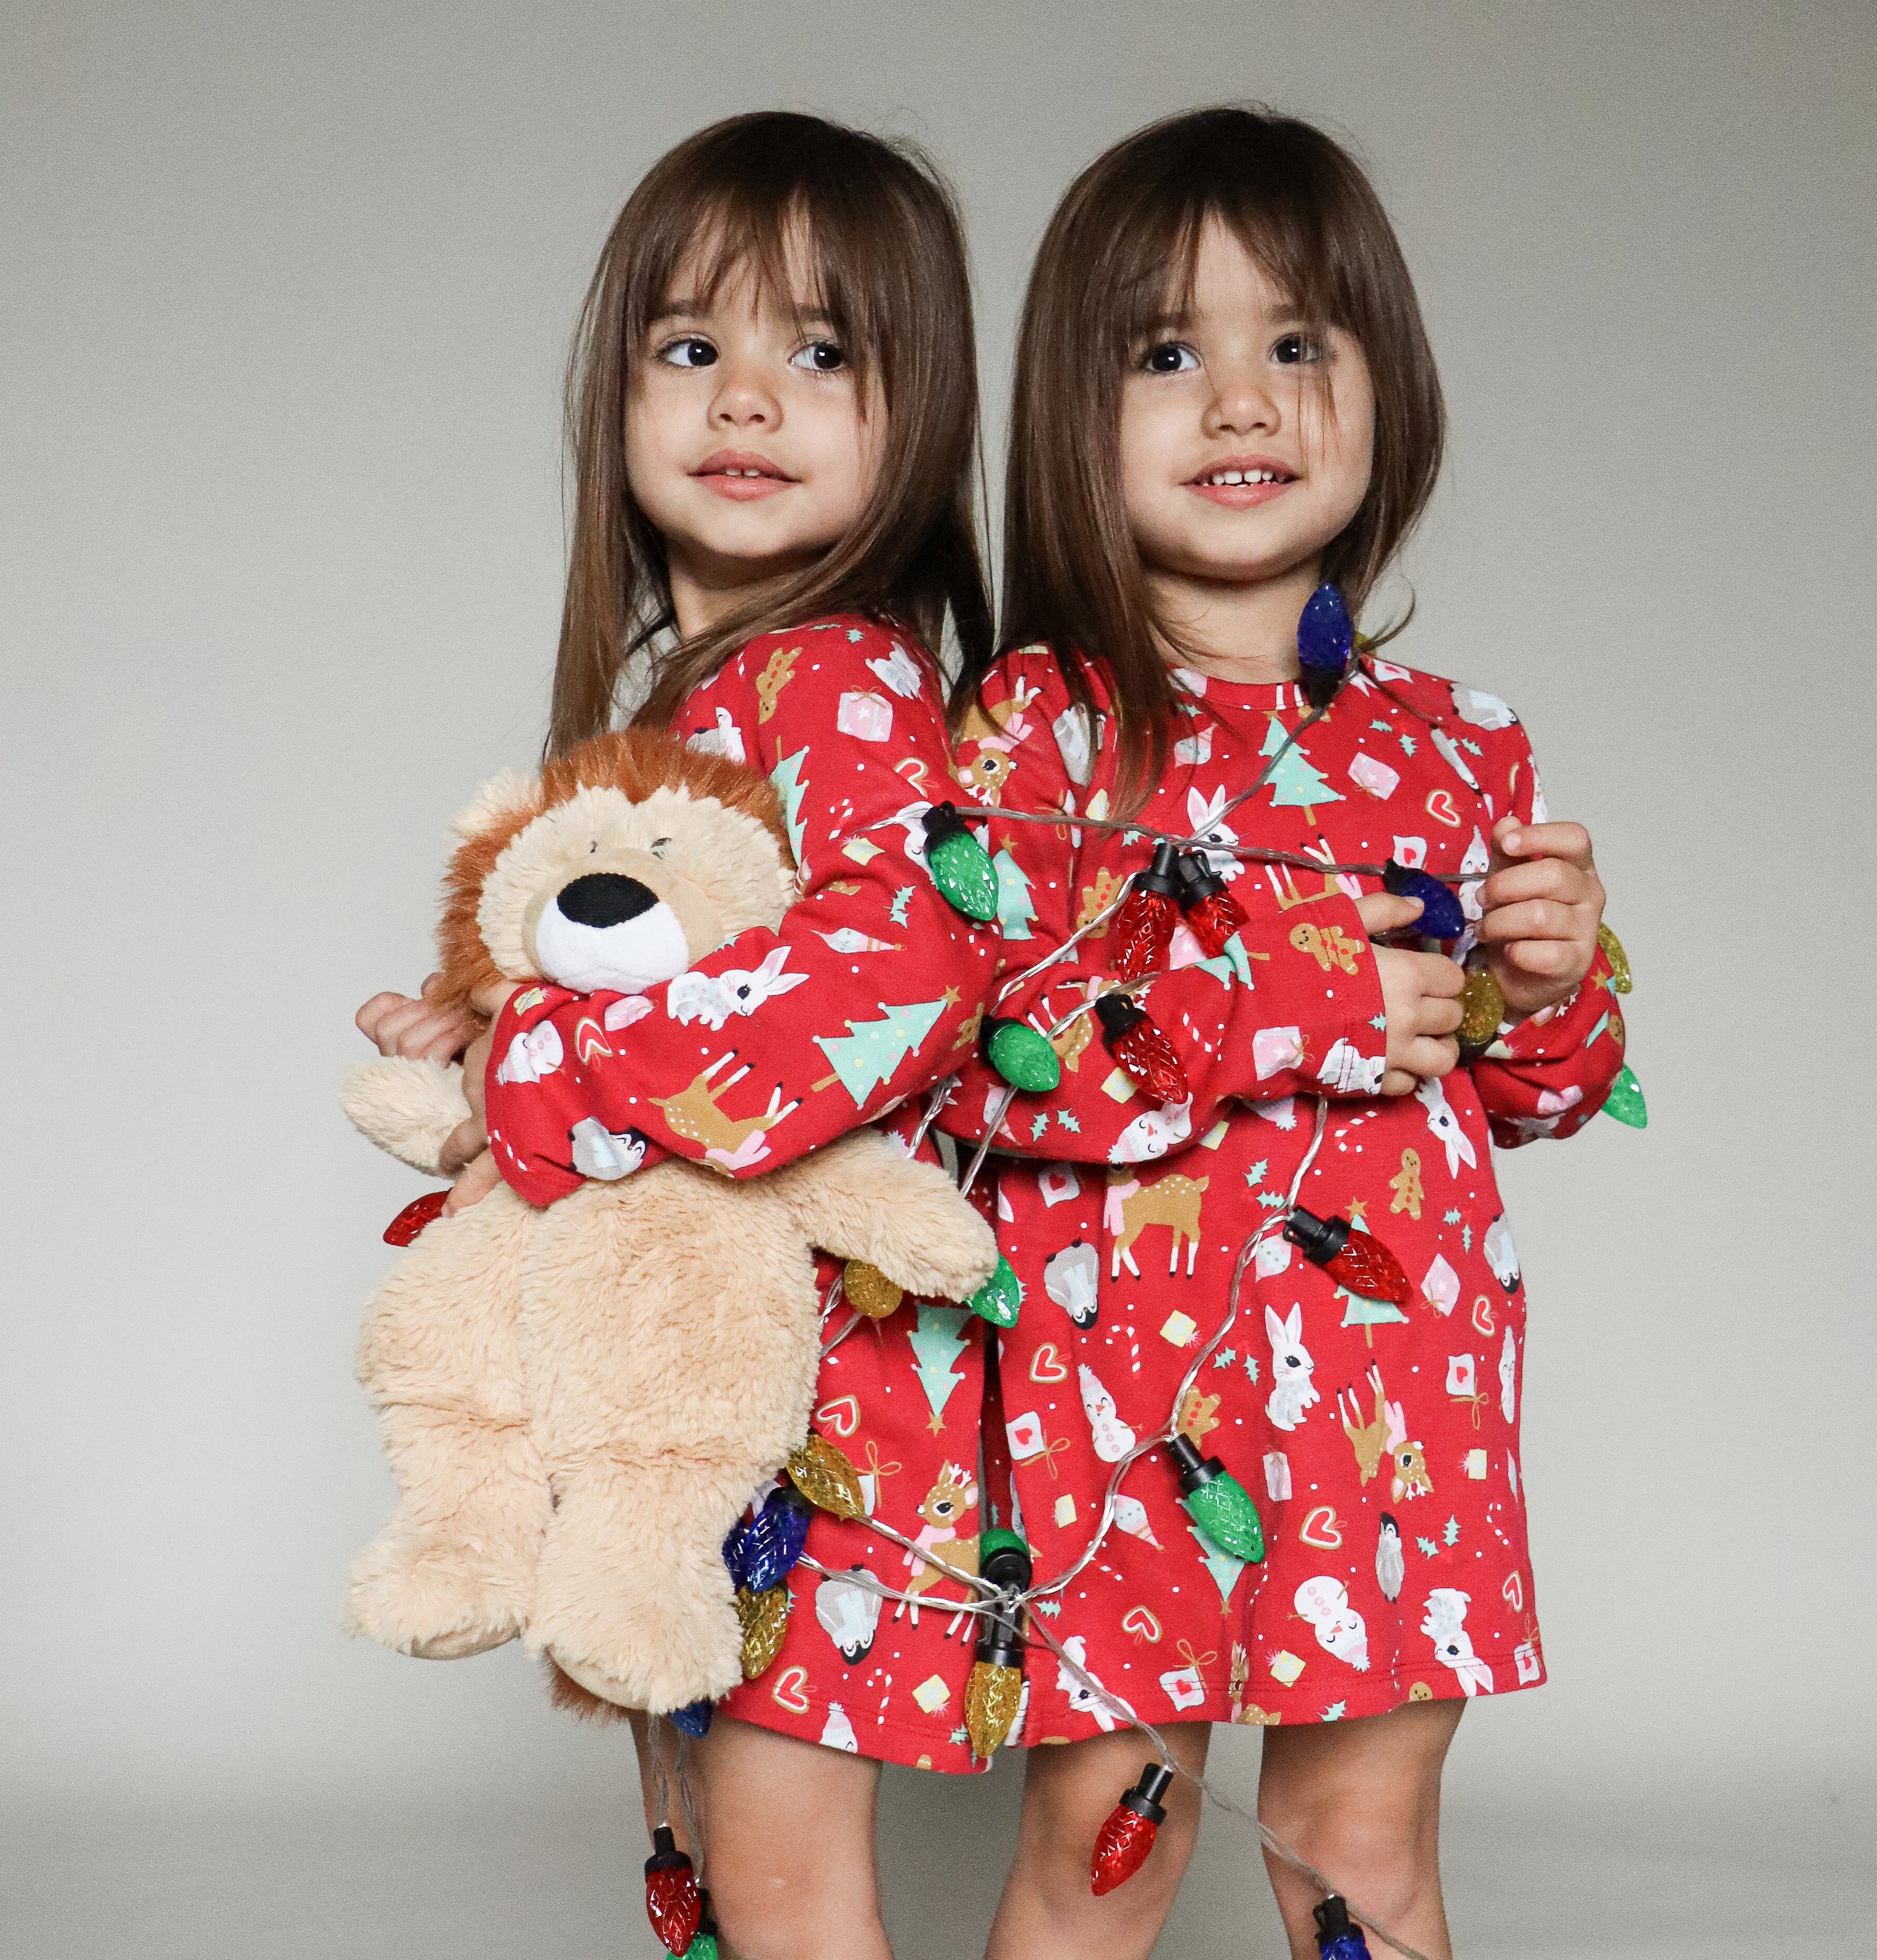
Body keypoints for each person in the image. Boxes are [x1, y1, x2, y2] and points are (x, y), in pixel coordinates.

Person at [934, 106, 1624, 1960]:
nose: (1242, 400)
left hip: (1396, 1412)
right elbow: (991, 1052)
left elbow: (1533, 1089)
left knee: (1359, 1843)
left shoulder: (1457, 741)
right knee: (1107, 1846)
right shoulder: (1036, 734)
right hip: (1122, 1415)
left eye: (1297, 342)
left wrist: (1556, 981)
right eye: (1167, 354)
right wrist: (1303, 997)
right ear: (1071, 417)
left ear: (1386, 386)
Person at [354, 111, 1002, 1960]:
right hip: (684, 1367)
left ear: (918, 413)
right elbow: (689, 971)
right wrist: (488, 1021)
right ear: (619, 392)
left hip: (816, 1390)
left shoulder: (844, 675)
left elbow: (895, 976)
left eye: (822, 352)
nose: (746, 399)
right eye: (691, 345)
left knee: (782, 1874)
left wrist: (545, 1073)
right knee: (710, 1844)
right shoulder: (693, 700)